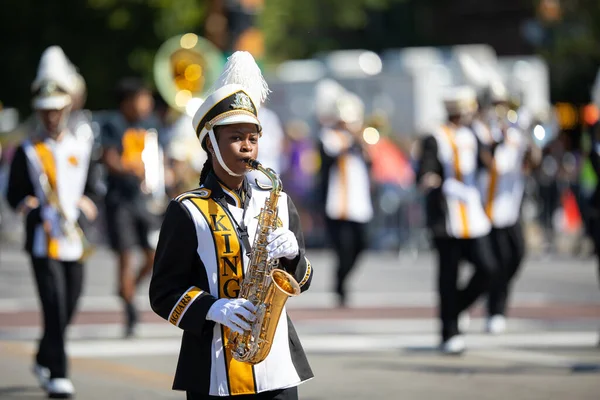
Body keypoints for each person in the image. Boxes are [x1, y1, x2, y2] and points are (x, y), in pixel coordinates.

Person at [149, 51, 314, 399]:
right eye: (236, 138)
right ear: (210, 143)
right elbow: (163, 293)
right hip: (213, 369)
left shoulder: (279, 200)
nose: (247, 147)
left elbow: (302, 278)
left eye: (253, 137)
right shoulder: (187, 210)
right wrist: (212, 307)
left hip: (277, 364)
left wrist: (294, 255)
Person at [6, 46, 97, 398]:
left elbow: (91, 182)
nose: (51, 117)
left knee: (70, 303)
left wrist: (90, 199)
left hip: (75, 237)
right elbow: (14, 192)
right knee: (54, 304)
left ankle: (44, 354)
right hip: (43, 239)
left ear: (66, 109)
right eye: (45, 112)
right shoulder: (28, 149)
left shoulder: (82, 143)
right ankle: (58, 373)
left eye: (56, 110)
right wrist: (26, 205)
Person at [416, 86, 496, 354]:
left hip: (474, 214)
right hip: (446, 217)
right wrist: (429, 178)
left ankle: (456, 307)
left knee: (488, 268)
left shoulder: (476, 134)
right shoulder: (436, 136)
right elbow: (426, 169)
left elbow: (489, 162)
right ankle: (449, 331)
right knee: (448, 276)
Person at [100, 78, 163, 337]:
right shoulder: (113, 124)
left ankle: (127, 291)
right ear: (127, 101)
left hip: (144, 201)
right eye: (142, 98)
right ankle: (129, 311)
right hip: (121, 202)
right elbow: (109, 159)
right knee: (126, 256)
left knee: (152, 256)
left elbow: (158, 157)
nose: (147, 103)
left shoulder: (151, 124)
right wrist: (131, 168)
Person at [476, 86, 541, 334]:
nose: (502, 110)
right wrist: (497, 138)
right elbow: (486, 162)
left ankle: (488, 303)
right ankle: (495, 310)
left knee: (516, 257)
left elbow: (532, 163)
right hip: (488, 210)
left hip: (511, 210)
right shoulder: (485, 133)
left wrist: (530, 139)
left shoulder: (517, 135)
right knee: (496, 264)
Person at [318, 87, 373, 308]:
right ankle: (340, 284)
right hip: (337, 202)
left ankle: (343, 279)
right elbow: (330, 154)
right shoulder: (330, 137)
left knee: (362, 244)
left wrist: (362, 142)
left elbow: (371, 163)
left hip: (359, 202)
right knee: (343, 247)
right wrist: (352, 139)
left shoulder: (360, 140)